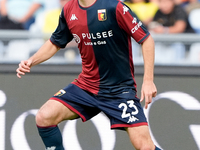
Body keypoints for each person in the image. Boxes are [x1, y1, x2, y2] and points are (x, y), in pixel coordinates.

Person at [16, 0, 161, 149]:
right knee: (44, 116)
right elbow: (55, 42)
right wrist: (31, 61)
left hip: (119, 90)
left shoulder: (114, 6)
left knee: (145, 147)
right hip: (86, 86)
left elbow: (146, 39)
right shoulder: (68, 9)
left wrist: (148, 81)